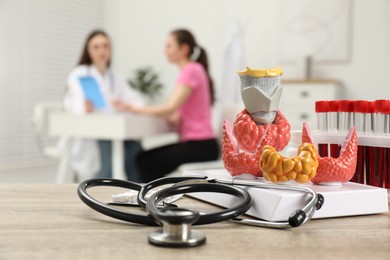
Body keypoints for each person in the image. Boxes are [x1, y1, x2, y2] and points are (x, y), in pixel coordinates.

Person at [113, 29, 219, 182]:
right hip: (202, 145)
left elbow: (170, 107)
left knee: (144, 162)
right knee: (142, 159)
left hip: (201, 146)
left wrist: (134, 108)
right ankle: (154, 197)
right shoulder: (194, 69)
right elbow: (177, 109)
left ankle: (151, 199)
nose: (165, 51)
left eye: (169, 46)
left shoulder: (190, 70)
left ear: (184, 49)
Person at [63, 30, 144, 181]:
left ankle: (140, 193)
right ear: (88, 50)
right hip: (93, 132)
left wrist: (125, 106)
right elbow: (72, 104)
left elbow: (135, 100)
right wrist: (83, 107)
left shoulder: (114, 77)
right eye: (96, 47)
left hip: (113, 129)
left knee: (135, 151)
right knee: (111, 157)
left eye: (105, 46)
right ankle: (98, 194)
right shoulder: (79, 73)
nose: (102, 51)